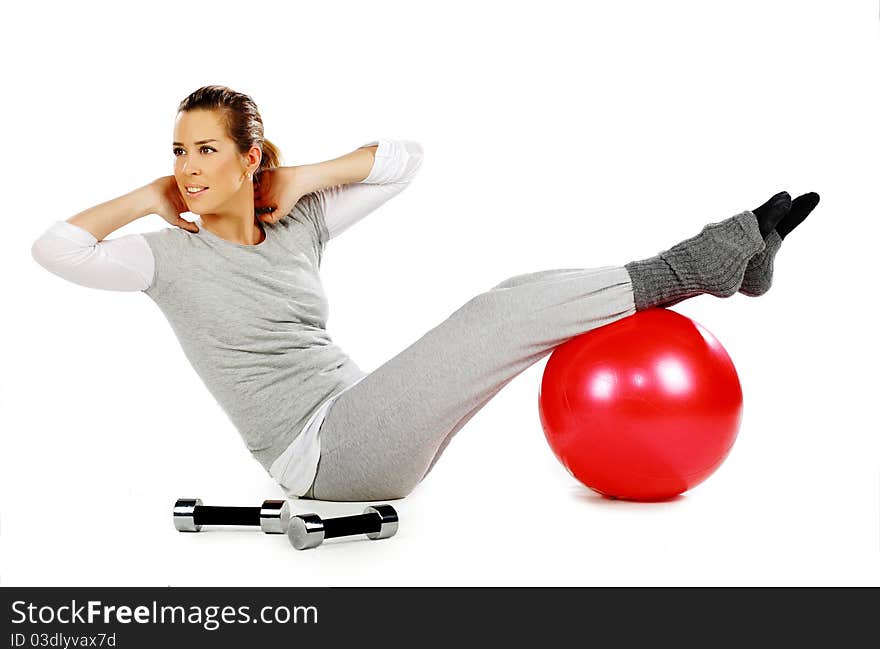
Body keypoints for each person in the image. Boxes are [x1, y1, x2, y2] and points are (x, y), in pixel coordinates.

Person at [31, 85, 820, 503]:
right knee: (497, 316)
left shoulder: (296, 222)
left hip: (365, 408)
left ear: (249, 158)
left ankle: (732, 267)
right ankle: (693, 266)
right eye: (178, 150)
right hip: (326, 458)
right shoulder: (164, 259)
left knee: (510, 293)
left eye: (206, 148)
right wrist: (144, 192)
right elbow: (54, 249)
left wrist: (301, 175)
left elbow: (404, 160)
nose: (188, 166)